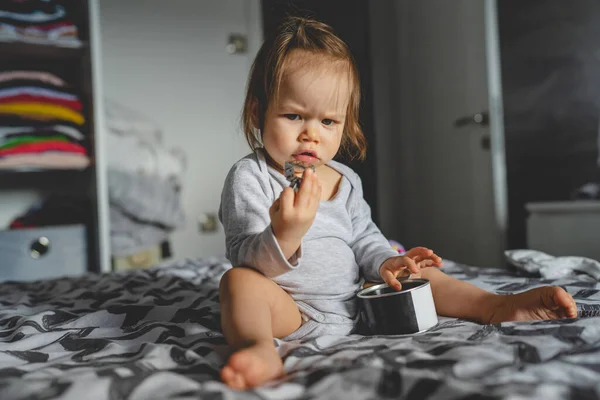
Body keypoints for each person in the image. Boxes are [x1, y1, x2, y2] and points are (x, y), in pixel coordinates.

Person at [217, 16, 578, 390]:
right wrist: (285, 234)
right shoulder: (251, 177)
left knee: (415, 273)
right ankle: (258, 348)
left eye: (328, 121)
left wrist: (386, 260)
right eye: (294, 116)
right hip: (292, 312)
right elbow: (244, 256)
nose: (311, 134)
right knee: (239, 283)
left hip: (361, 301)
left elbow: (364, 238)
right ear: (259, 113)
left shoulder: (346, 180)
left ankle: (494, 306)